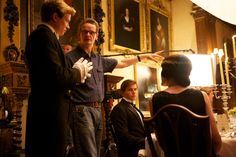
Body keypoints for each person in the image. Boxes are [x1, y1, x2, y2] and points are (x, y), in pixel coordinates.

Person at [65, 18, 163, 157]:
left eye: (91, 32)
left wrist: (142, 57)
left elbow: (122, 63)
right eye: (85, 32)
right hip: (81, 109)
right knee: (89, 154)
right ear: (79, 34)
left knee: (96, 152)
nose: (88, 35)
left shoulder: (98, 59)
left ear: (96, 35)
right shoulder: (69, 58)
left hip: (98, 110)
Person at [24, 1, 93, 157]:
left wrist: (75, 72)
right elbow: (57, 76)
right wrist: (77, 72)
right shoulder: (43, 36)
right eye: (67, 21)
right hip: (49, 115)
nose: (68, 26)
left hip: (51, 113)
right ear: (55, 17)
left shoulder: (47, 37)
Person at [151, 54, 222, 156]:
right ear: (187, 73)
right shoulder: (201, 96)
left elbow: (161, 140)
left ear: (165, 73)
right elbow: (216, 140)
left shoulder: (154, 99)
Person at [110, 79, 146, 157]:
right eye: (130, 90)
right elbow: (123, 136)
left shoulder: (134, 108)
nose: (134, 92)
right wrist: (145, 142)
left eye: (135, 89)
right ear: (122, 92)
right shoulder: (119, 109)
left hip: (141, 147)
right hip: (130, 151)